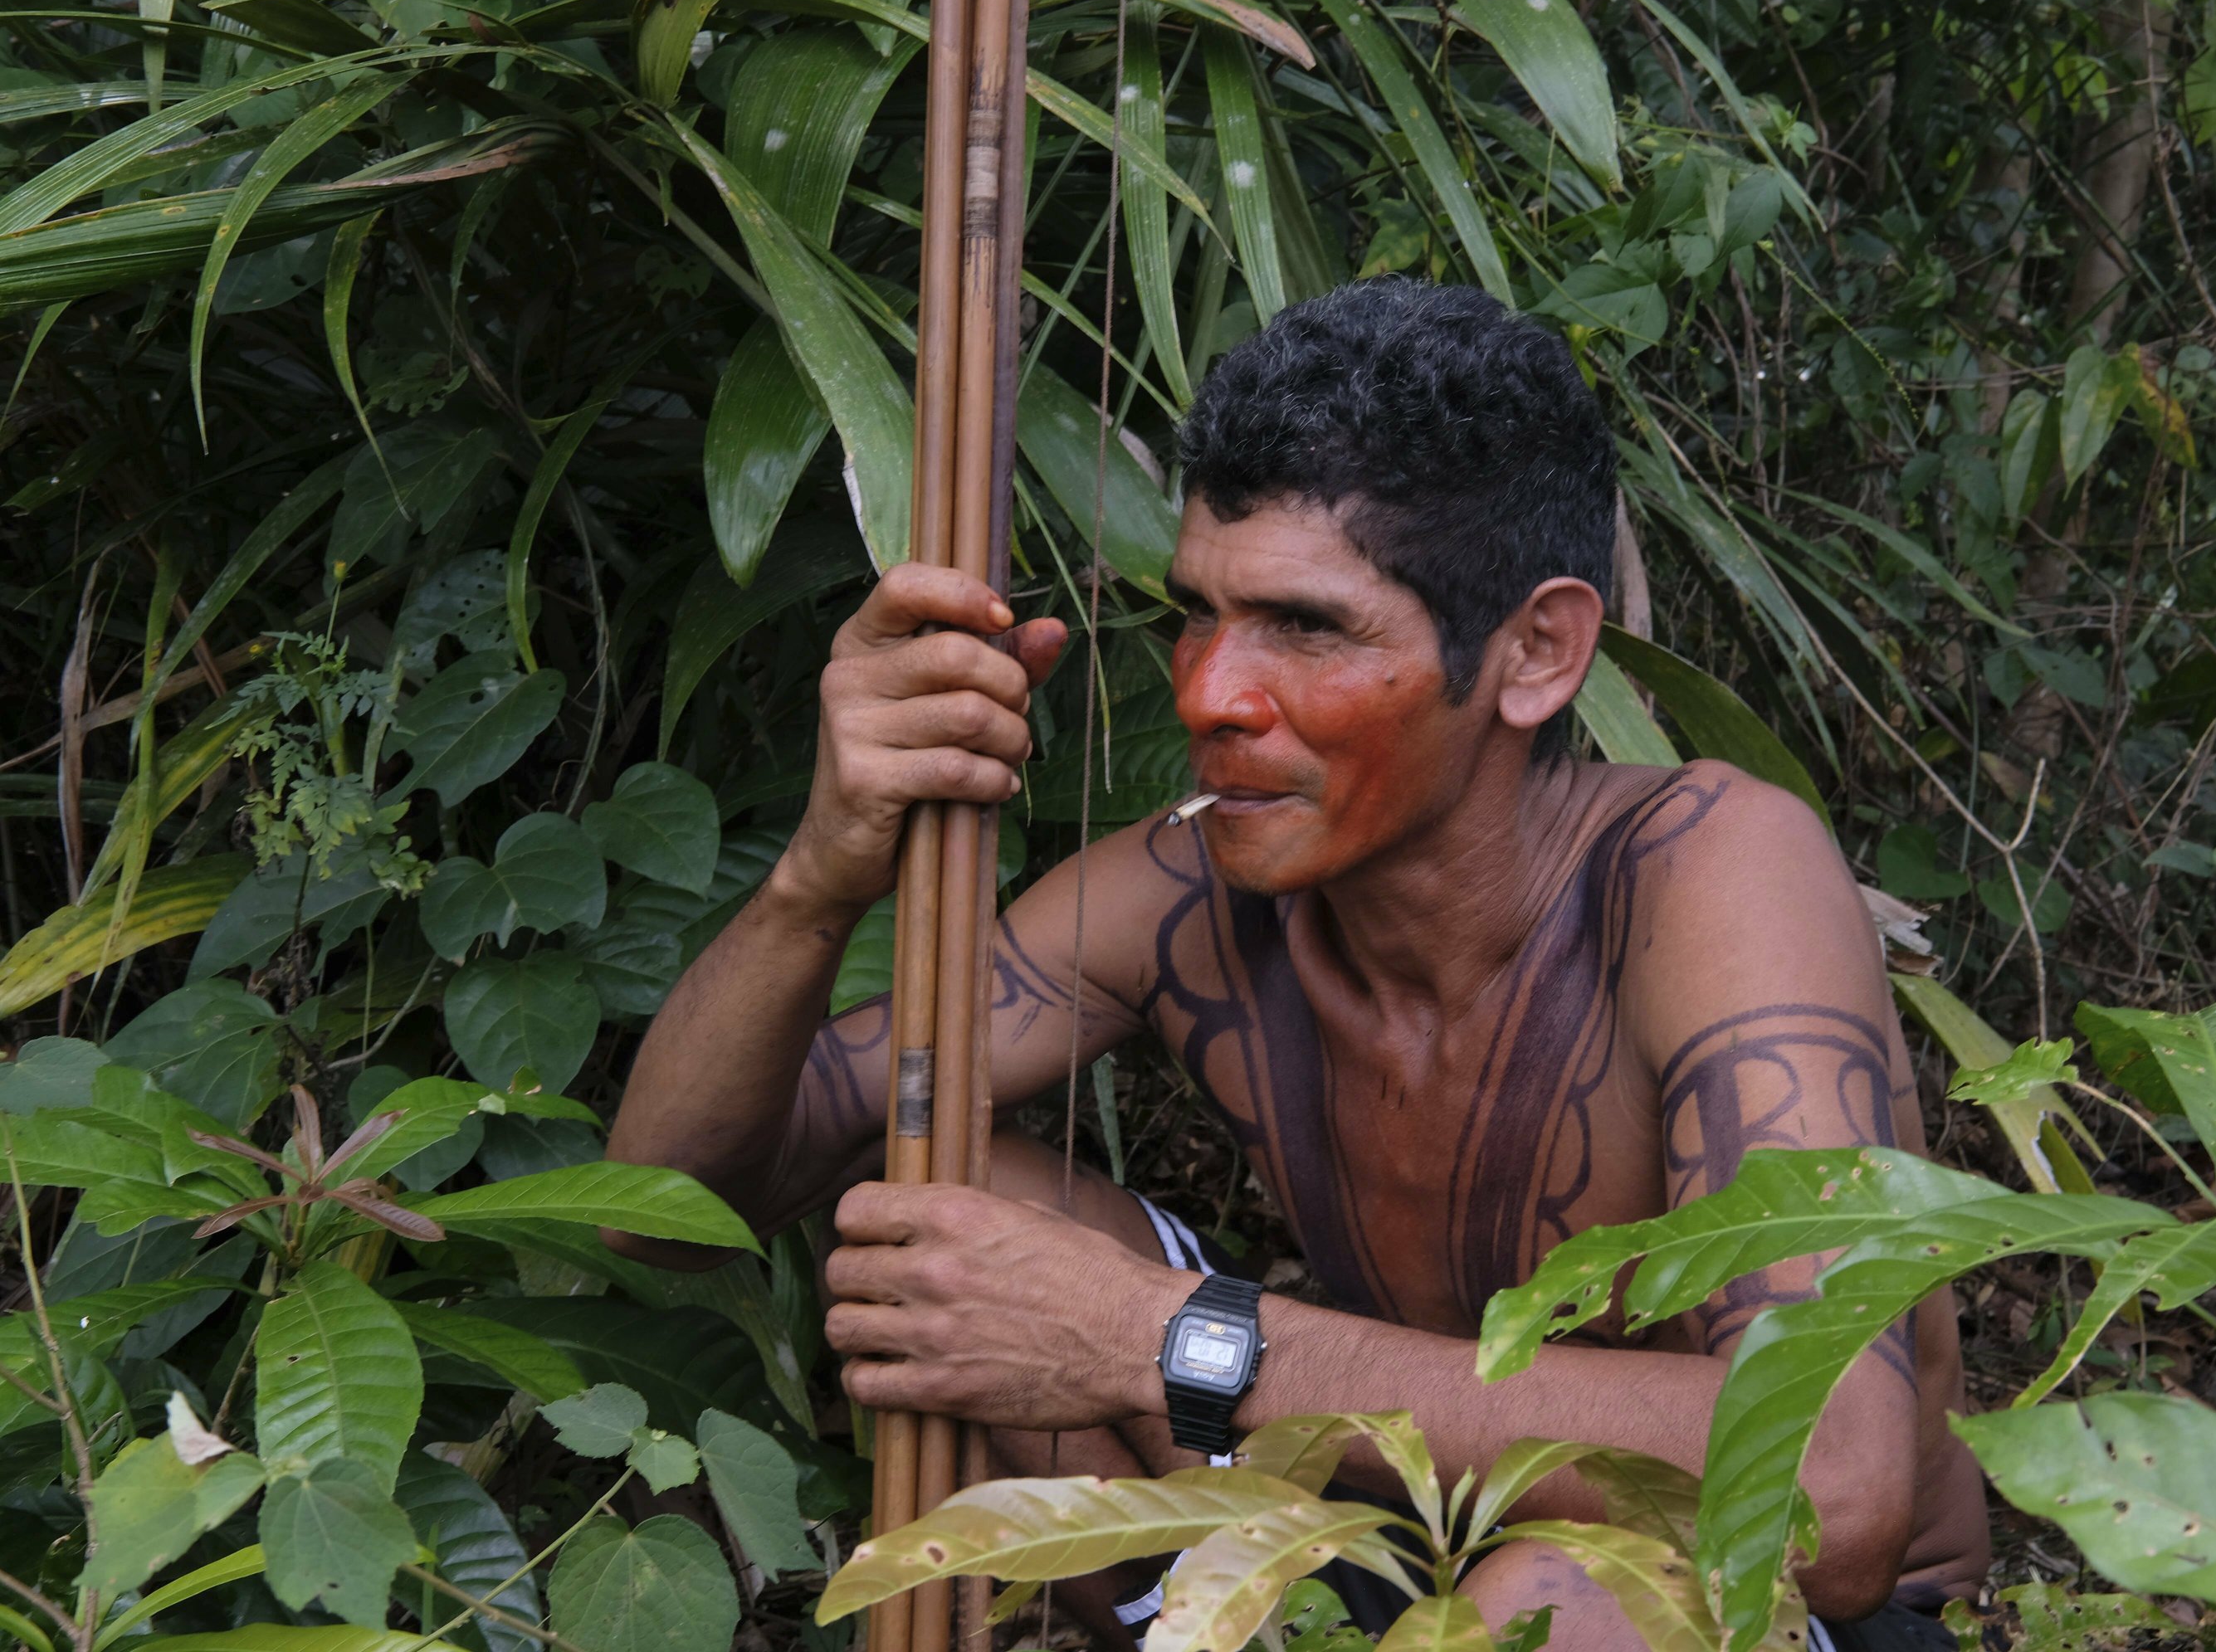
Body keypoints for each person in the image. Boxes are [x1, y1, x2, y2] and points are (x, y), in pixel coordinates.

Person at [608, 279, 1986, 1652]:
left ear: (1536, 652)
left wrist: (1170, 1335)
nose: (1209, 694)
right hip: (1389, 1561)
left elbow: (1831, 1495)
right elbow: (659, 1209)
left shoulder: (1711, 873)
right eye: (1196, 616)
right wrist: (823, 869)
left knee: (1554, 1604)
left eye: (1307, 628)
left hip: (1763, 1617)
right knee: (946, 1213)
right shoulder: (1183, 892)